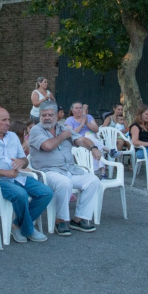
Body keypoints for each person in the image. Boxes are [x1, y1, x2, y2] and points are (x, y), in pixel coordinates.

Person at [0, 107, 53, 243]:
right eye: (4, 120)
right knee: (20, 194)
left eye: (8, 119)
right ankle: (29, 230)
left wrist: (20, 162)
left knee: (46, 192)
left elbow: (24, 160)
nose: (8, 123)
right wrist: (5, 172)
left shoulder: (13, 137)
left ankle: (16, 224)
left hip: (17, 177)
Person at [30, 101, 101, 236]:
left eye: (50, 115)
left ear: (57, 116)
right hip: (48, 172)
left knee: (93, 180)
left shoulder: (63, 129)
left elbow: (81, 140)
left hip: (69, 169)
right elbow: (47, 146)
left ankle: (78, 218)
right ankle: (60, 220)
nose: (46, 118)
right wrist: (63, 137)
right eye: (43, 115)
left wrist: (93, 147)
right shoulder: (36, 130)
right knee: (64, 182)